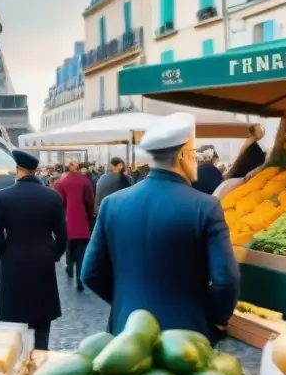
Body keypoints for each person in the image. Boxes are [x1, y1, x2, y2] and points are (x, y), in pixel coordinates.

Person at [82, 113, 240, 343]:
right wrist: (216, 317)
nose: (195, 160)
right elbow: (226, 279)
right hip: (187, 337)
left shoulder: (112, 204)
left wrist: (127, 303)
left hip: (127, 333)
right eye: (194, 154)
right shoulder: (206, 206)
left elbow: (91, 273)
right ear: (184, 154)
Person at [0, 150, 67, 351]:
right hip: (43, 261)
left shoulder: (3, 196)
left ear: (18, 170)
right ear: (35, 170)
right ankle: (41, 360)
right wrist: (54, 253)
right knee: (42, 319)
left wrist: (5, 250)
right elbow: (62, 234)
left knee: (14, 319)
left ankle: (19, 363)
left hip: (13, 260)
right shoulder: (53, 196)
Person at [54, 160, 95, 292]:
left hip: (67, 220)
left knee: (69, 246)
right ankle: (79, 279)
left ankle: (70, 269)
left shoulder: (62, 182)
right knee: (81, 251)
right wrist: (89, 215)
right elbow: (90, 201)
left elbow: (59, 202)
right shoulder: (85, 181)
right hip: (81, 221)